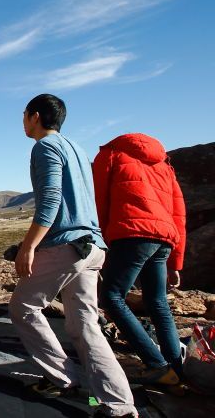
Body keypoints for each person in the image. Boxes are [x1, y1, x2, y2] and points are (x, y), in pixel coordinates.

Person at [9, 94, 137, 418]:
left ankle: (61, 378)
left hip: (67, 246)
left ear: (35, 116)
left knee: (23, 307)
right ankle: (119, 406)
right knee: (84, 325)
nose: (23, 121)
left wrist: (28, 247)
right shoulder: (77, 149)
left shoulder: (45, 147)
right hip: (92, 247)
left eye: (24, 115)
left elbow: (50, 202)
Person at [93, 133, 186, 385]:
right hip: (164, 239)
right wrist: (175, 262)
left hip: (131, 233)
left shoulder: (110, 154)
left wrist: (106, 238)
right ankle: (176, 368)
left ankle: (157, 364)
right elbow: (179, 213)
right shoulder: (164, 165)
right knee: (157, 302)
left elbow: (99, 199)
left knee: (111, 297)